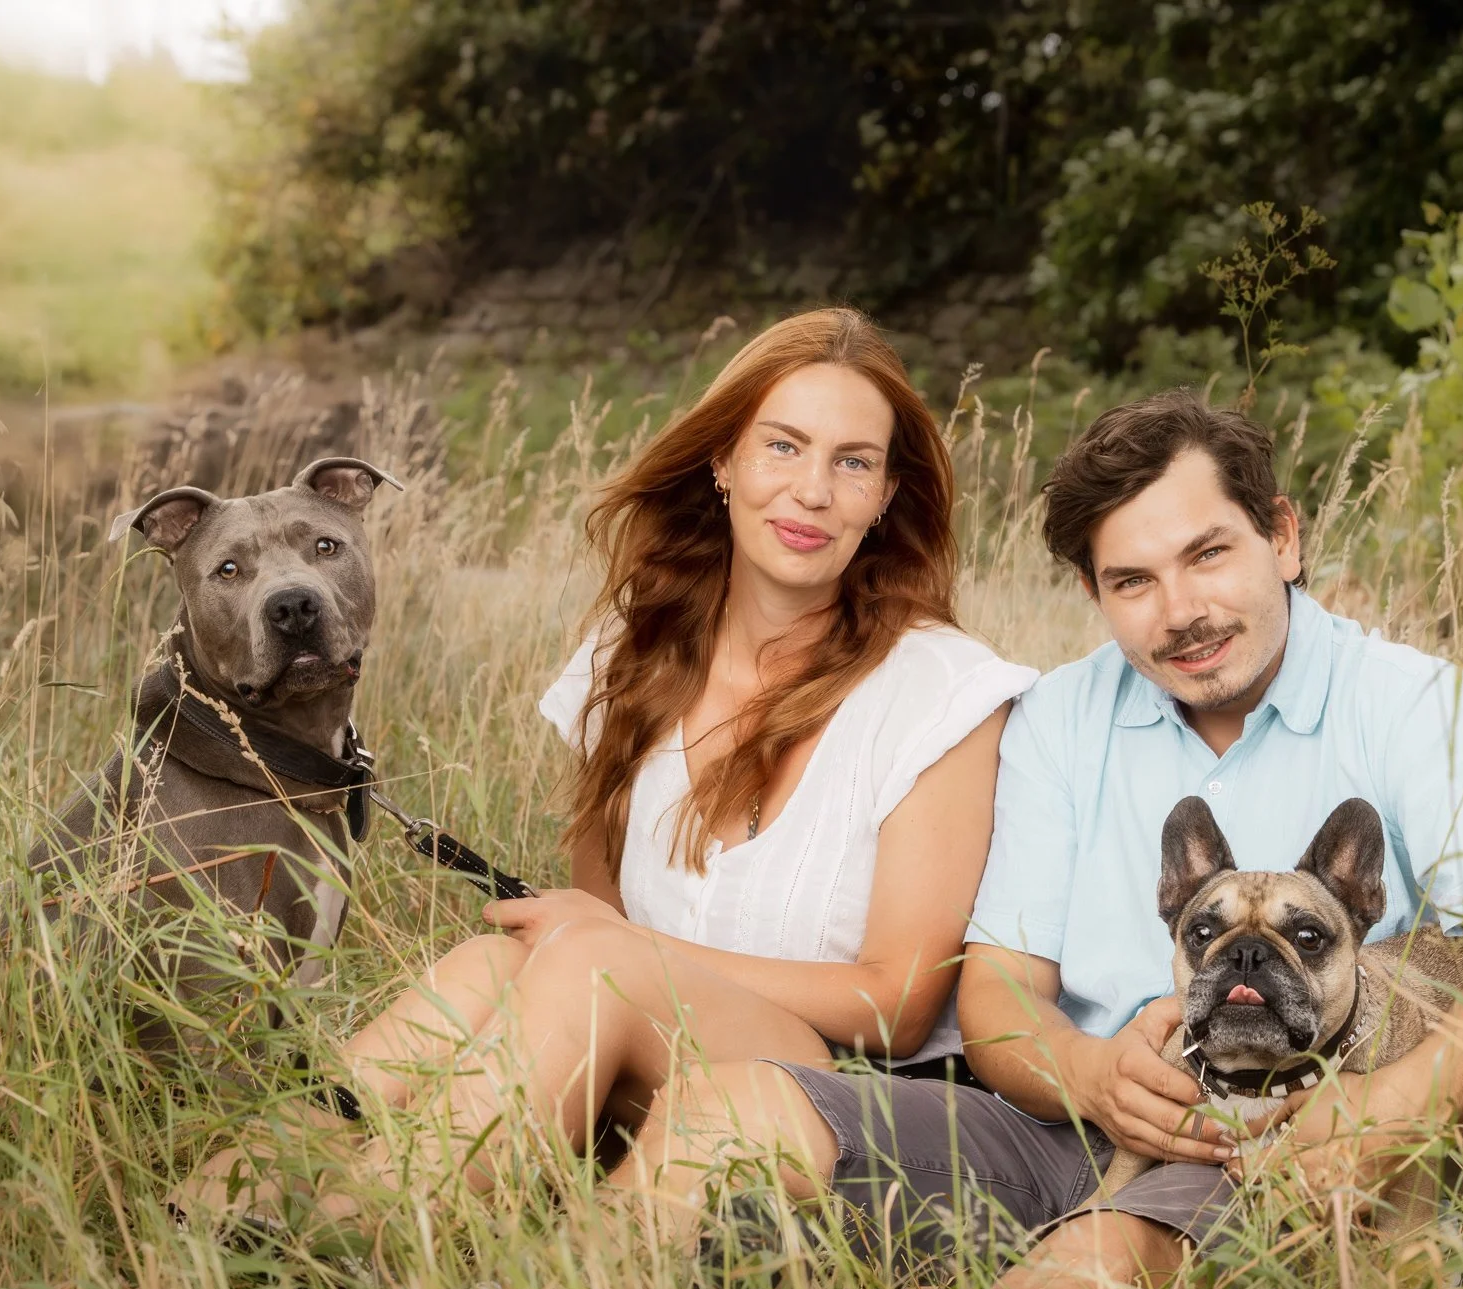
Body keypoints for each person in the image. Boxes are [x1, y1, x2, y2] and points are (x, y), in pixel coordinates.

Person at [623, 389, 1463, 1289]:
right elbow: (998, 999)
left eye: (1207, 555)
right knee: (718, 1110)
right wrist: (1089, 1075)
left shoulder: (1410, 704)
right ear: (1091, 590)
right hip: (1061, 1119)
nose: (1179, 612)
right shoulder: (1059, 716)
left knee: (1080, 1283)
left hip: (1268, 1138)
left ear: (1282, 536)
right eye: (1132, 581)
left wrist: (1381, 1117)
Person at [169, 308, 1036, 1227]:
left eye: (853, 462)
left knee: (590, 958)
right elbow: (598, 916)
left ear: (887, 494)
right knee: (492, 964)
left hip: (843, 1095)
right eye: (783, 446)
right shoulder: (635, 655)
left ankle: (364, 1228)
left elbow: (898, 1005)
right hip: (642, 1048)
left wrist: (628, 949)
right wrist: (606, 944)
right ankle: (218, 1209)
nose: (813, 490)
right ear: (723, 461)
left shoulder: (942, 689)